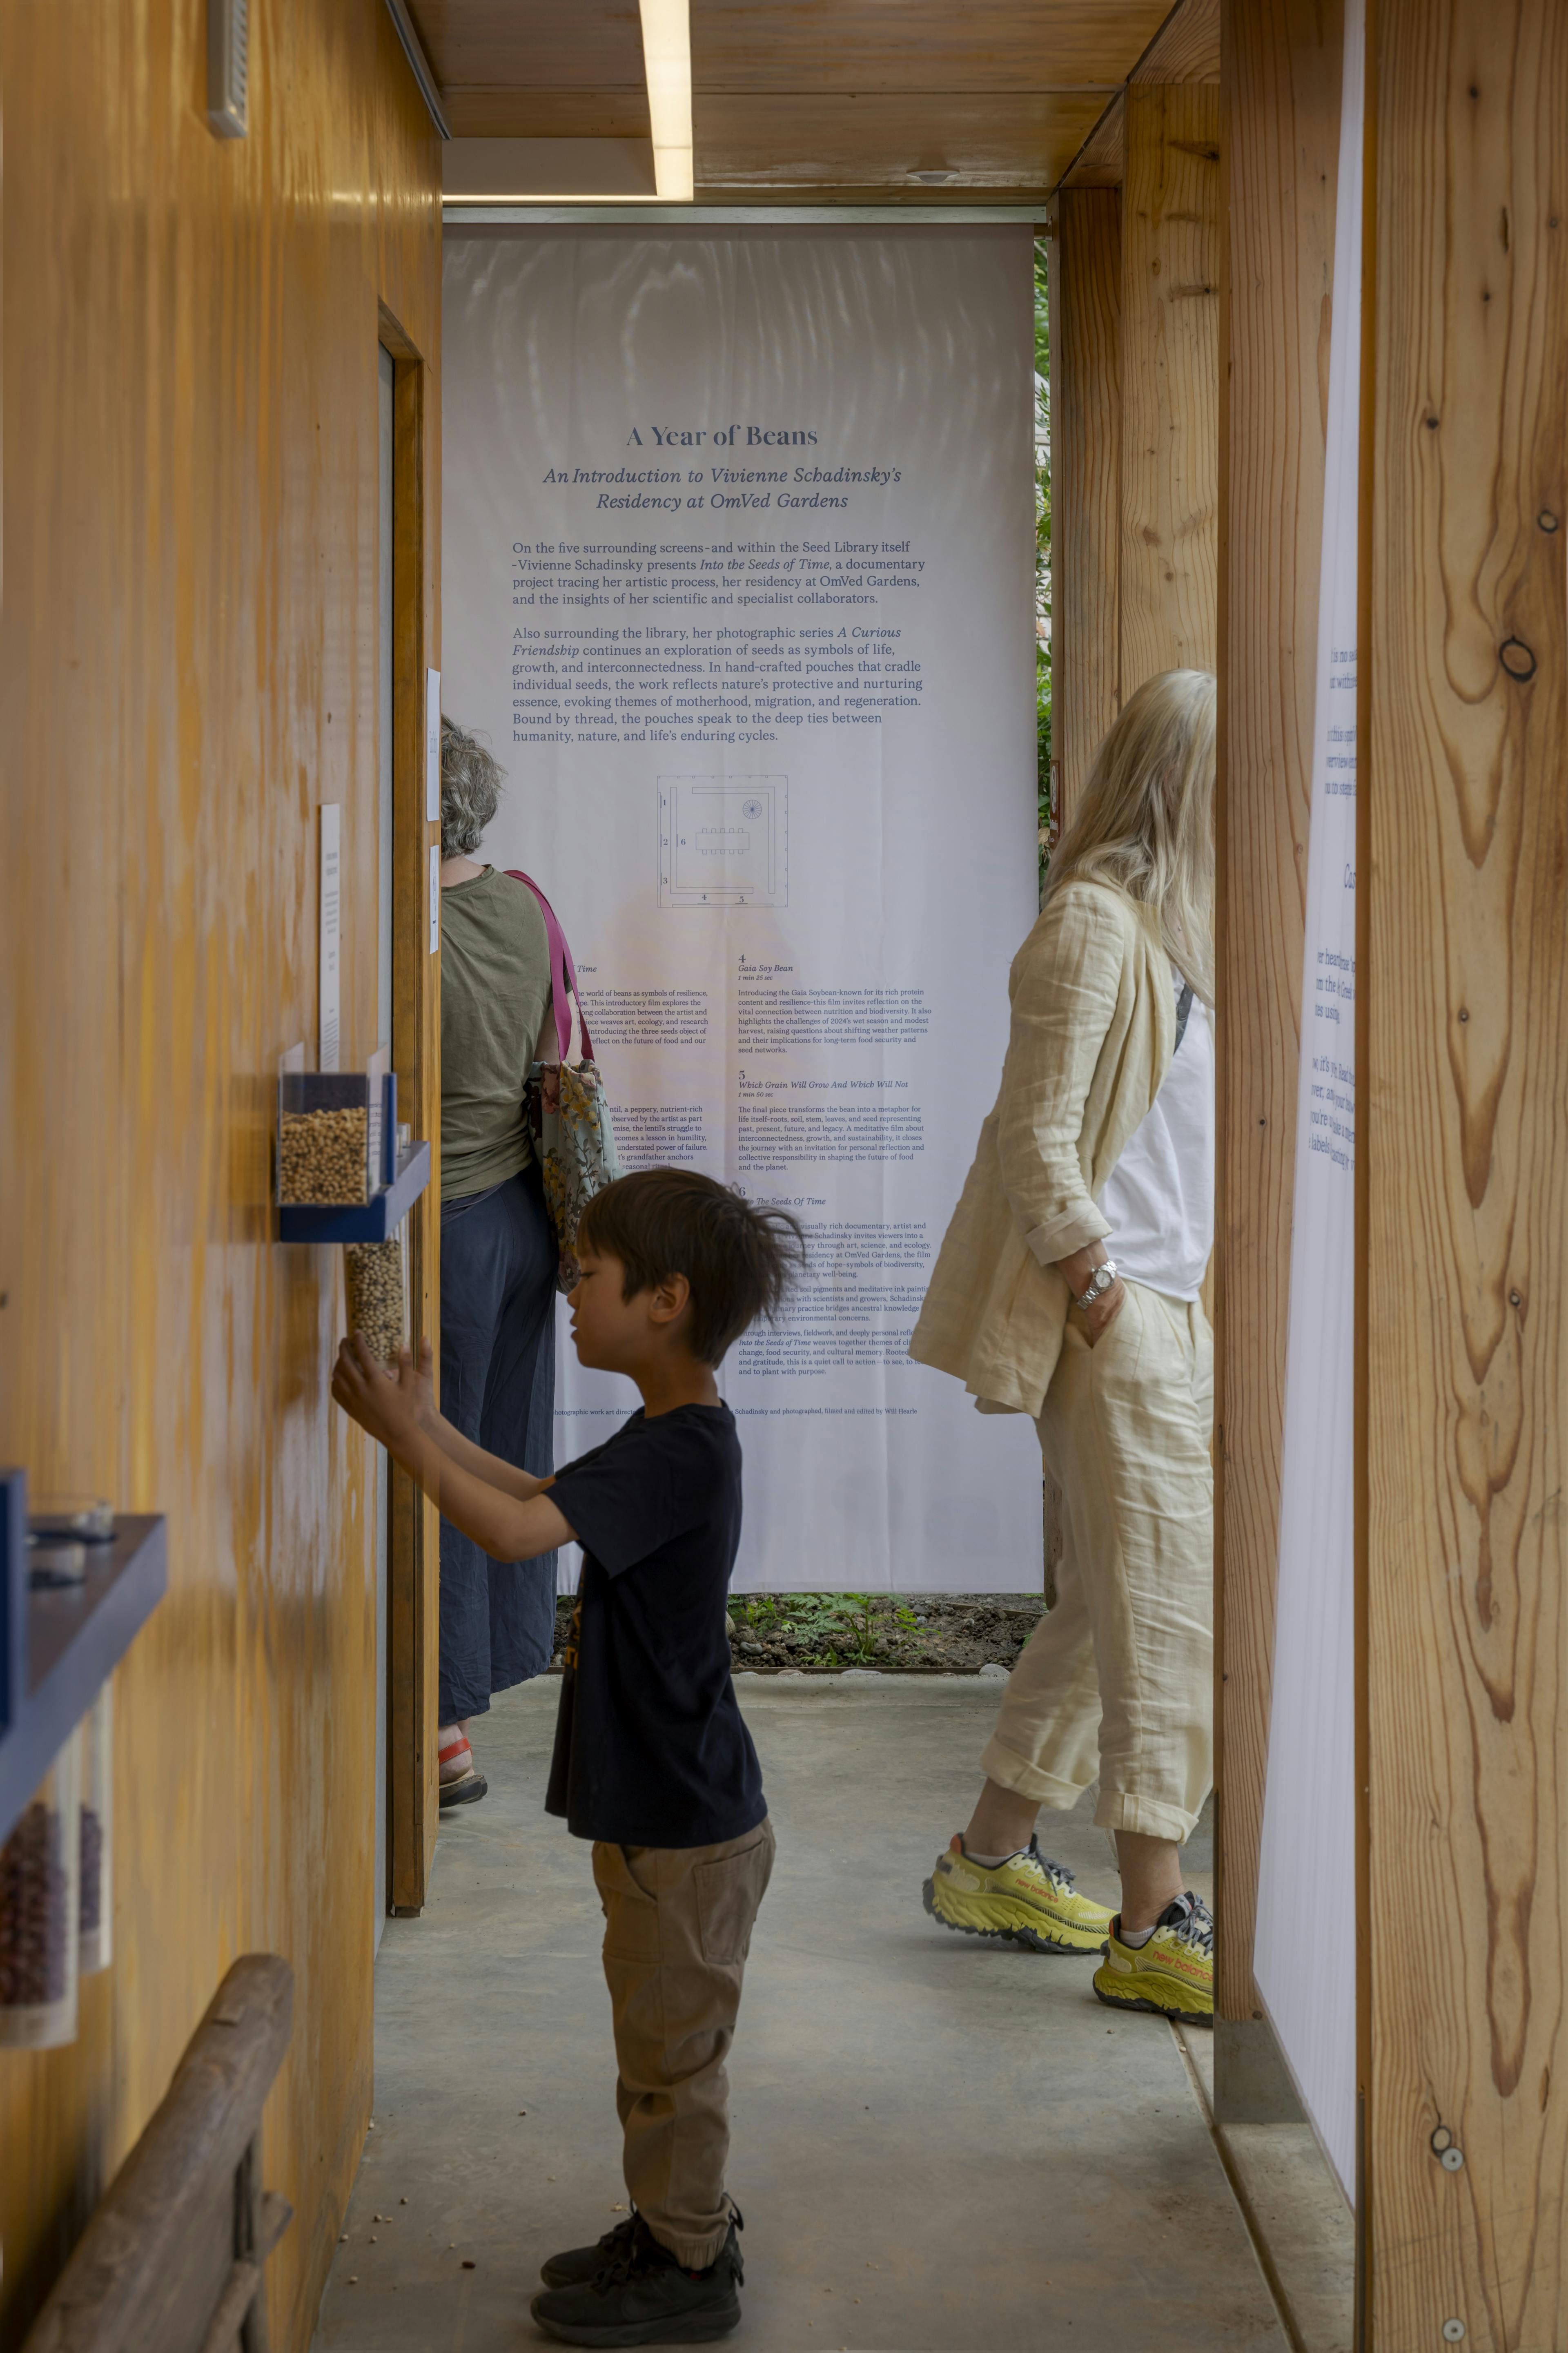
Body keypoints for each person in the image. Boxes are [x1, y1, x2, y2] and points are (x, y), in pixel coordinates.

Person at [332, 1167, 806, 2347]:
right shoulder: (664, 1436)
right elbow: (539, 1490)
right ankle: (670, 2220)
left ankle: (690, 2258)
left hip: (686, 1832)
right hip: (671, 1825)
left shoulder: (682, 1451)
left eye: (587, 1273)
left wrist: (403, 1436)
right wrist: (424, 1427)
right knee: (659, 2044)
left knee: (671, 2060)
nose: (569, 1291)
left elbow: (509, 1531)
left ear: (666, 1301)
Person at [910, 668, 1217, 2025]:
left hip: (1173, 1307)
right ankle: (1152, 1916)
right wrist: (1102, 1295)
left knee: (1112, 1603)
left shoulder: (1178, 930)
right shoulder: (1092, 925)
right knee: (1165, 1614)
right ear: (1186, 777)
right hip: (1124, 1314)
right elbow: (1037, 1136)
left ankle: (989, 1859)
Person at [434, 717, 565, 1808]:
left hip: (454, 1228)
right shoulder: (524, 904)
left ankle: (442, 1726)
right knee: (505, 1453)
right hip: (527, 1217)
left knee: (442, 1468)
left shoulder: (408, 929)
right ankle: (487, 1672)